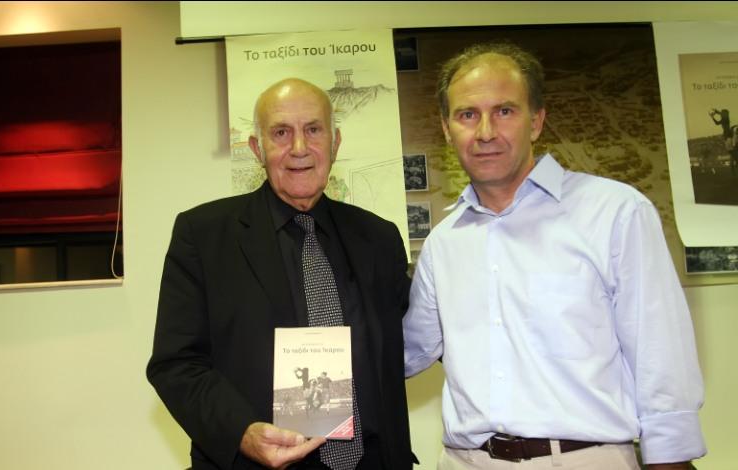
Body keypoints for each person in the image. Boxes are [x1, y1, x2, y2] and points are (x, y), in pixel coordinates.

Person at [402, 42, 706, 469]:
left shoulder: (615, 212)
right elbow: (407, 350)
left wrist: (671, 458)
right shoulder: (443, 243)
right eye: (467, 114)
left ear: (536, 121)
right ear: (447, 128)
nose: (485, 132)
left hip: (584, 459)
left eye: (504, 111)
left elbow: (660, 353)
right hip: (466, 461)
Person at [147, 78, 415, 470]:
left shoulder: (378, 237)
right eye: (281, 133)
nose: (300, 148)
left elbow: (417, 336)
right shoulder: (203, 236)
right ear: (258, 148)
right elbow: (175, 364)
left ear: (336, 142)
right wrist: (241, 432)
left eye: (314, 129)